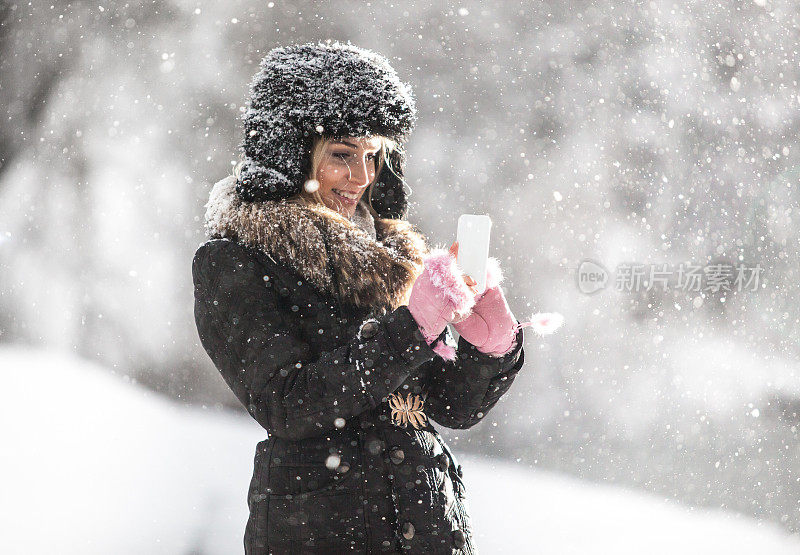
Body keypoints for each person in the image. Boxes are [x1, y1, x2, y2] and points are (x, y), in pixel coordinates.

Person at [192, 41, 526, 554]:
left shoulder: (388, 262)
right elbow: (289, 403)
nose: (363, 178)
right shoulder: (235, 262)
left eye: (373, 156)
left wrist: (492, 351)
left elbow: (448, 406)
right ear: (291, 153)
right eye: (342, 155)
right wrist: (411, 327)